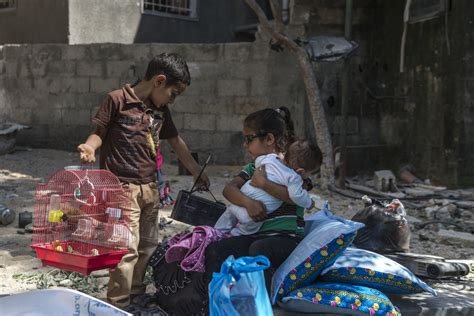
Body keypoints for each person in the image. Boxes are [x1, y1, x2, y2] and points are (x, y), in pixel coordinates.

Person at [151, 107, 322, 315]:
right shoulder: (253, 167)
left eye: (249, 139)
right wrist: (249, 203)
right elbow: (229, 189)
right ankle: (212, 306)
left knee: (260, 250)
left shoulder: (294, 167)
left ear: (269, 139)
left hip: (284, 238)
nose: (245, 144)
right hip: (255, 233)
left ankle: (263, 308)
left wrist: (264, 184)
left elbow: (297, 197)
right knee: (216, 249)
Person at [77, 52, 210, 309]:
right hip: (122, 188)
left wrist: (196, 170)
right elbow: (98, 133)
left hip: (150, 188)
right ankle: (118, 304)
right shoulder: (116, 100)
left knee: (147, 245)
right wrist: (89, 147)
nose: (173, 99)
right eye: (174, 93)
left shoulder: (160, 110)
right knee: (125, 248)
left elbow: (176, 143)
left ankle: (137, 295)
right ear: (159, 81)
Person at [215, 139, 321, 235]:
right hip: (251, 215)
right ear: (301, 171)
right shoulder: (294, 178)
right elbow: (296, 196)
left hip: (238, 200)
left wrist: (262, 178)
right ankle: (234, 235)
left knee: (225, 221)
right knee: (248, 229)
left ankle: (214, 233)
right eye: (309, 173)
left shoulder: (271, 158)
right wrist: (309, 203)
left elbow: (258, 161)